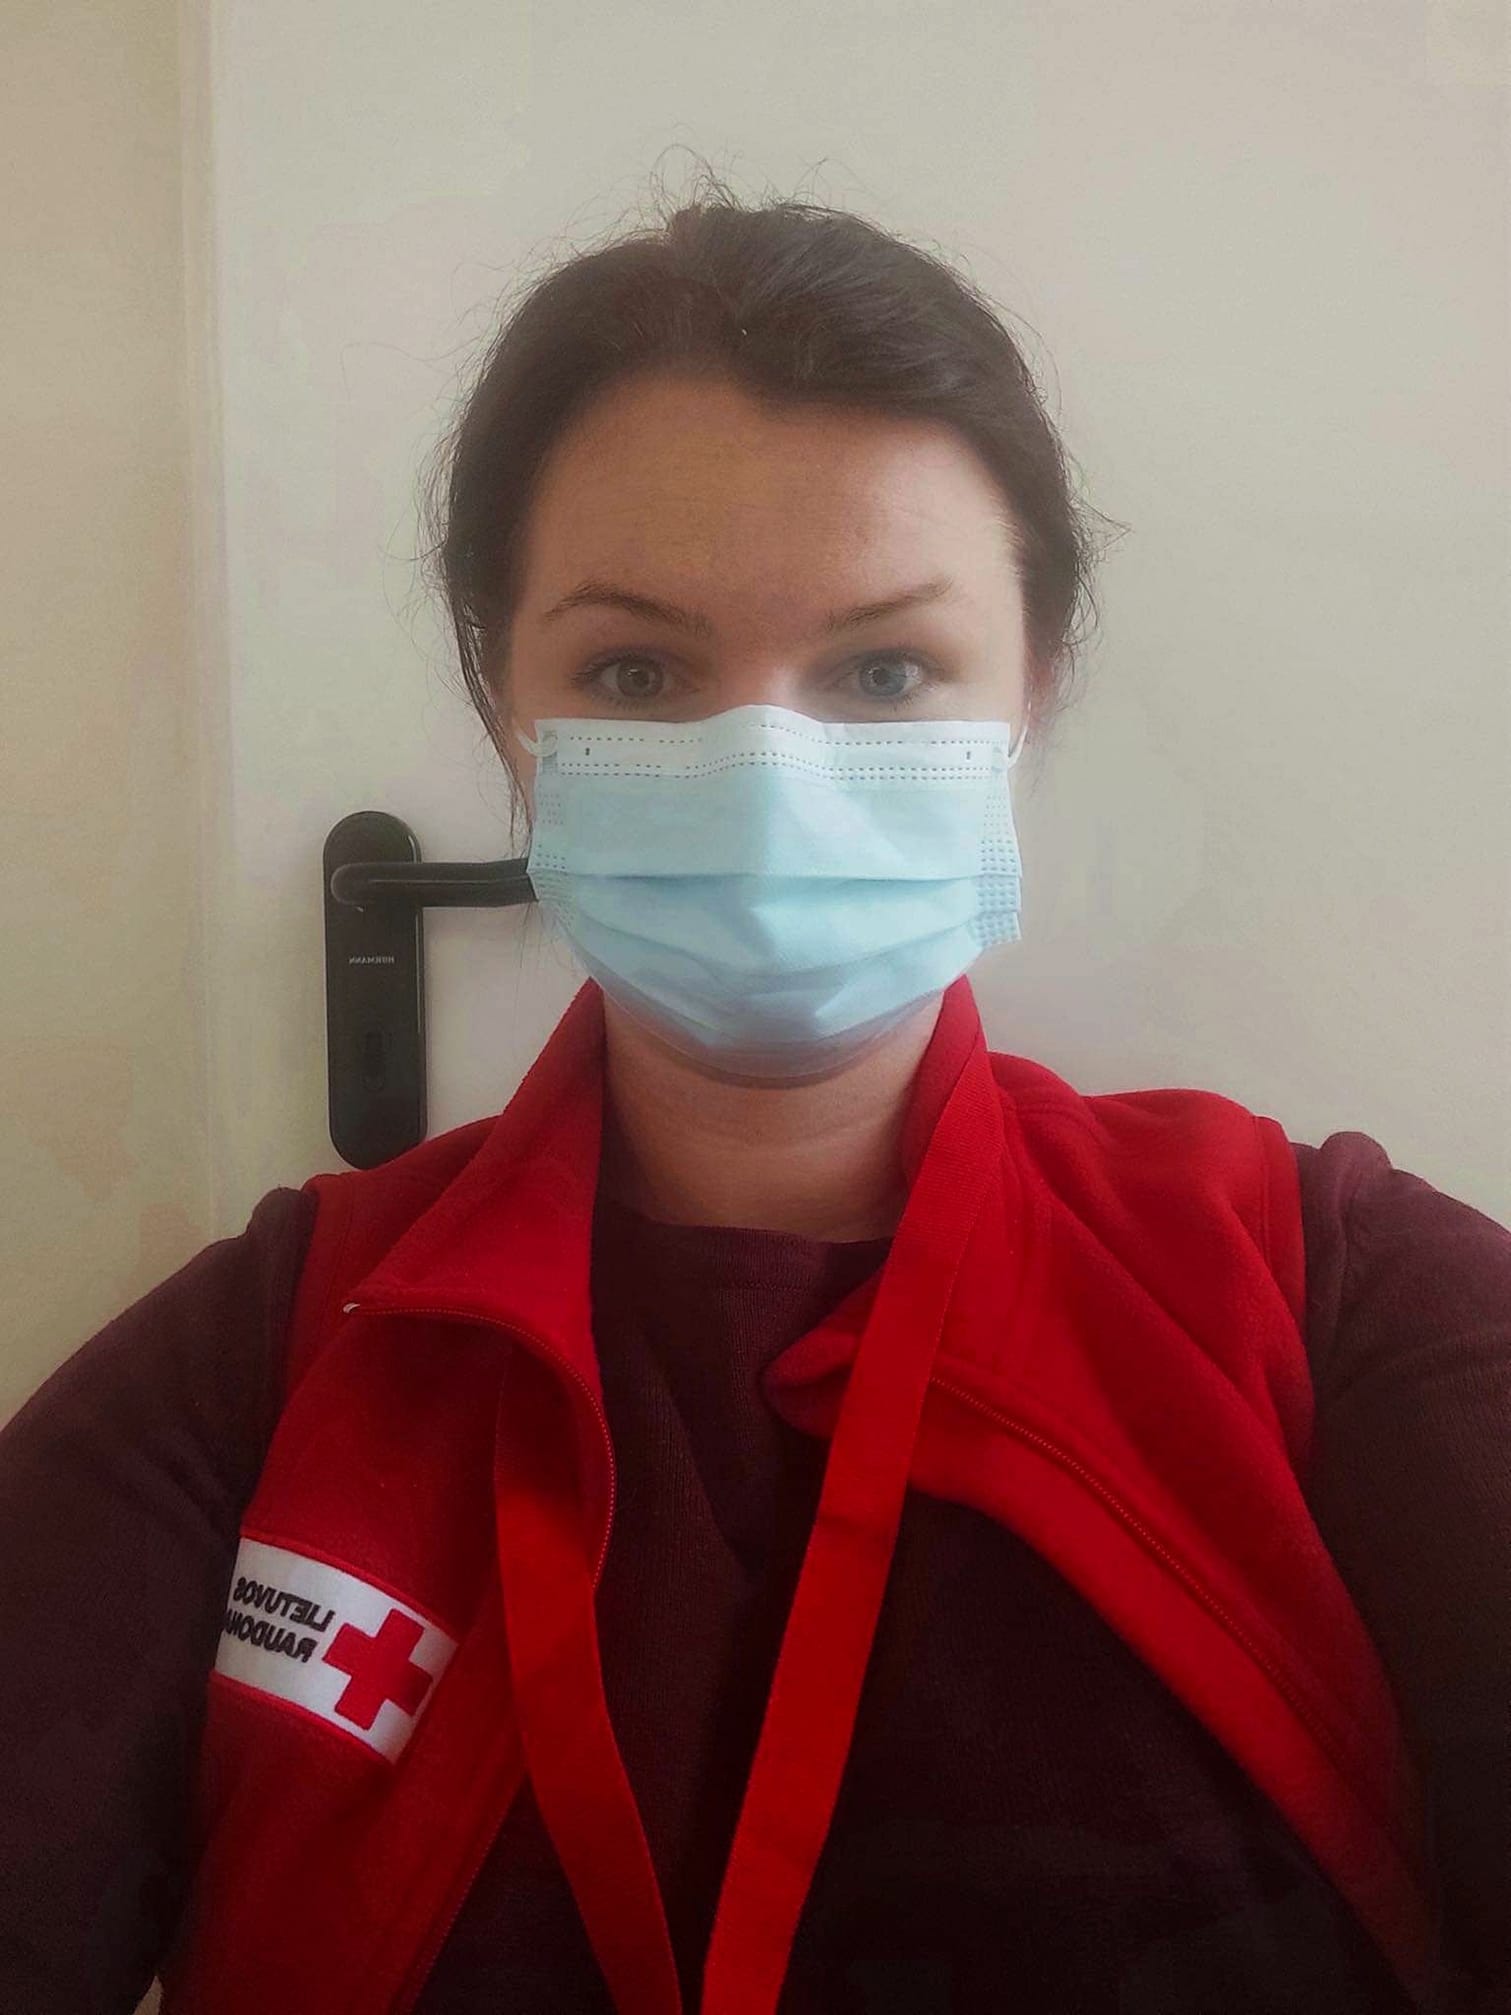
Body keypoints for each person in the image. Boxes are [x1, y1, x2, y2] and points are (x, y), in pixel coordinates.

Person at [2, 171, 1508, 2015]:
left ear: (1030, 694)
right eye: (638, 670)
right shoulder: (270, 1357)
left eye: (885, 668)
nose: (769, 777)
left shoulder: (1330, 1292)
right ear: (504, 706)